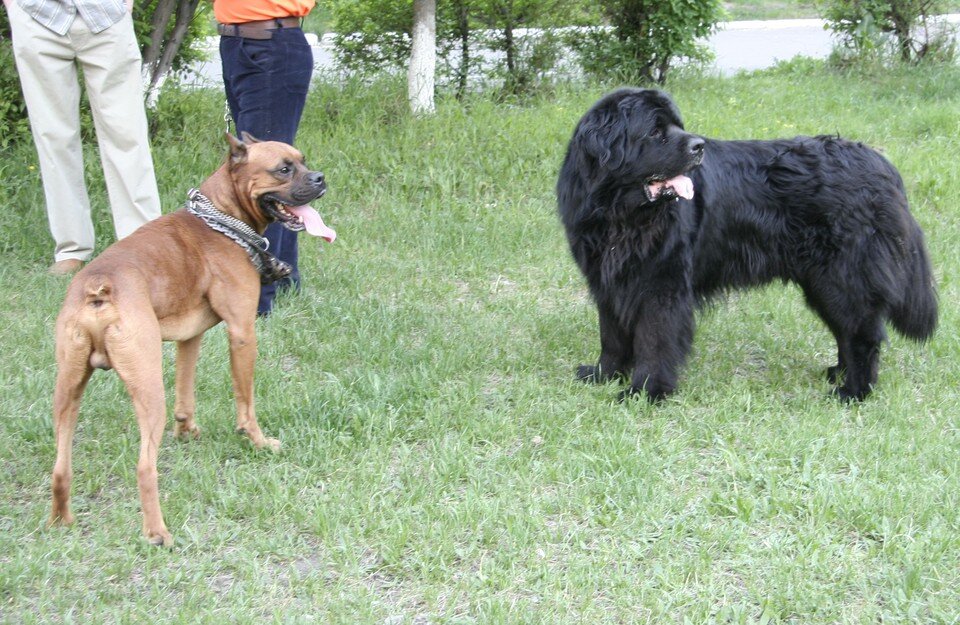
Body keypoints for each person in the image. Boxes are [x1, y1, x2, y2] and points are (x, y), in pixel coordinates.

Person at [5, 0, 162, 275]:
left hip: (107, 13)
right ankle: (70, 248)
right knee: (53, 136)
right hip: (35, 12)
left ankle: (143, 244)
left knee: (127, 134)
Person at [215, 0, 316, 316]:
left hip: (271, 44)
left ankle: (258, 299)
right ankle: (283, 278)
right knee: (269, 174)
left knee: (265, 175)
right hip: (237, 43)